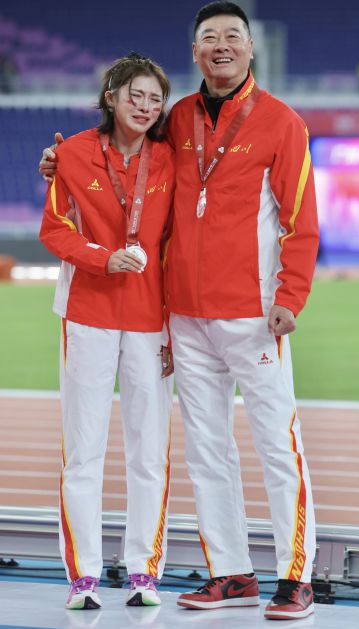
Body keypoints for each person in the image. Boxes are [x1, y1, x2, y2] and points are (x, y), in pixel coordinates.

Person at [39, 2, 319, 621]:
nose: (221, 45)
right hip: (184, 318)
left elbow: (301, 222)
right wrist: (59, 165)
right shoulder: (179, 119)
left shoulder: (283, 123)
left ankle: (295, 575)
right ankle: (231, 572)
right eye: (208, 37)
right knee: (206, 450)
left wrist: (289, 298)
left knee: (277, 444)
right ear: (195, 52)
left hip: (253, 314)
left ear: (250, 47)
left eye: (232, 36)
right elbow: (115, 153)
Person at [39, 53, 175, 610]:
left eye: (155, 99)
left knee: (149, 451)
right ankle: (83, 575)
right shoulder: (71, 154)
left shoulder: (170, 158)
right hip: (88, 313)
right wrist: (101, 258)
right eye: (134, 95)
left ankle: (144, 571)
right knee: (83, 450)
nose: (145, 107)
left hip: (151, 318)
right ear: (111, 96)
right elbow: (54, 228)